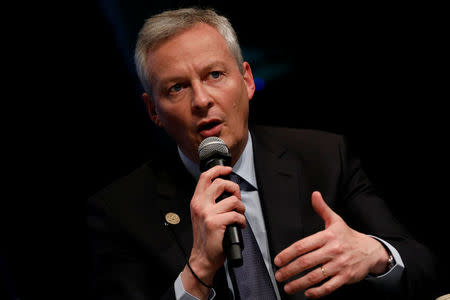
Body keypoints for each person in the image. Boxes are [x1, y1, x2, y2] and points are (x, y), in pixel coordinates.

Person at [88, 7, 437, 300]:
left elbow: (425, 268)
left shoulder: (324, 157)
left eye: (214, 74)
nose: (201, 100)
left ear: (247, 81)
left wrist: (375, 255)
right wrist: (199, 269)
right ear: (153, 111)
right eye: (177, 88)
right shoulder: (120, 211)